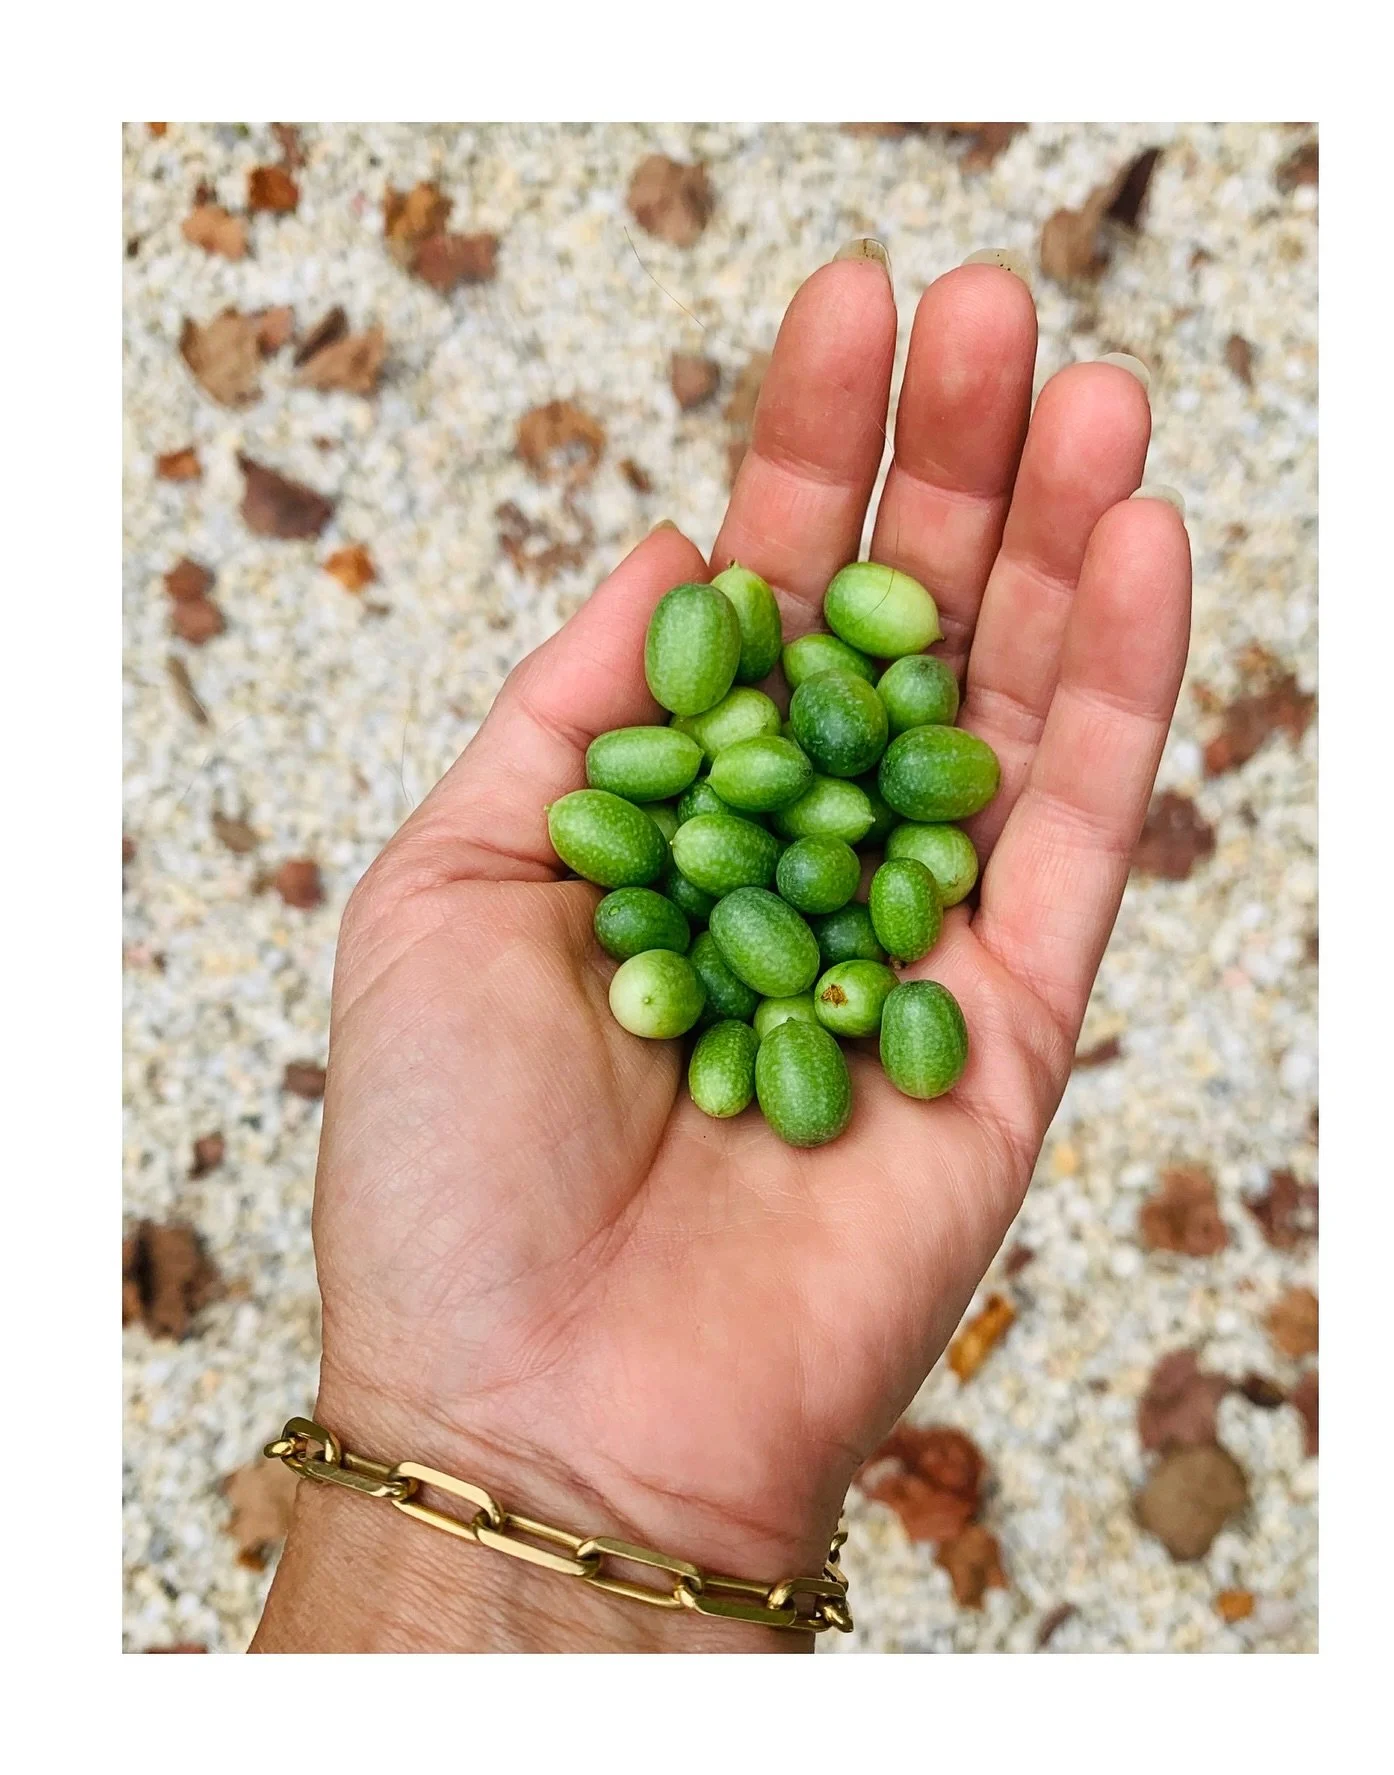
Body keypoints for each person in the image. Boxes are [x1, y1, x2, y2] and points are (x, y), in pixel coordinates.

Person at [252, 241, 1190, 1653]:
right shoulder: (712, 878)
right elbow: (708, 864)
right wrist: (496, 1470)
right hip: (756, 939)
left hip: (786, 923)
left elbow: (780, 846)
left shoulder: (803, 853)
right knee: (725, 844)